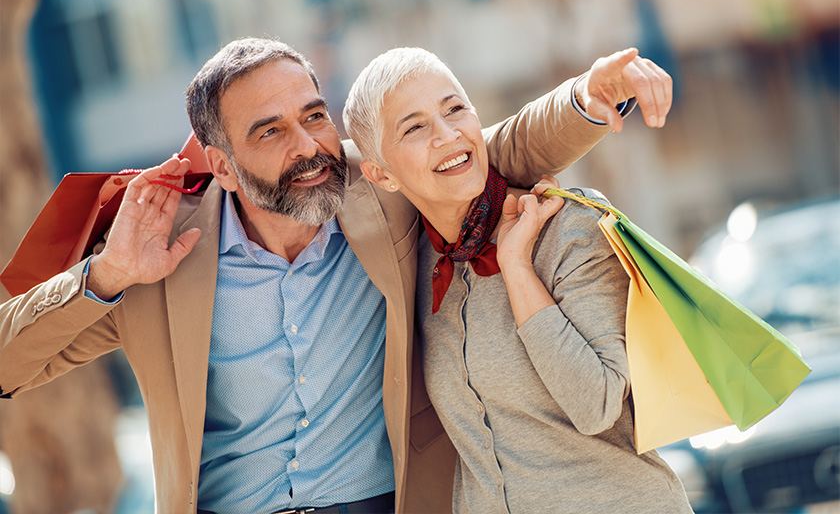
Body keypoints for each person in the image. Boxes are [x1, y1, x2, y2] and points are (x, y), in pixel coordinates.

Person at [0, 38, 673, 514]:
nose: (308, 148)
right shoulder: (158, 249)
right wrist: (107, 275)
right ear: (223, 164)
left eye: (313, 116)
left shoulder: (379, 188)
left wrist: (590, 96)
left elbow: (493, 148)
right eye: (269, 132)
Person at [343, 47, 691, 513]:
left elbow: (597, 404)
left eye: (455, 109)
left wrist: (517, 267)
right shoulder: (414, 264)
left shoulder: (568, 228)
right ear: (381, 175)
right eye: (415, 127)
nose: (447, 136)